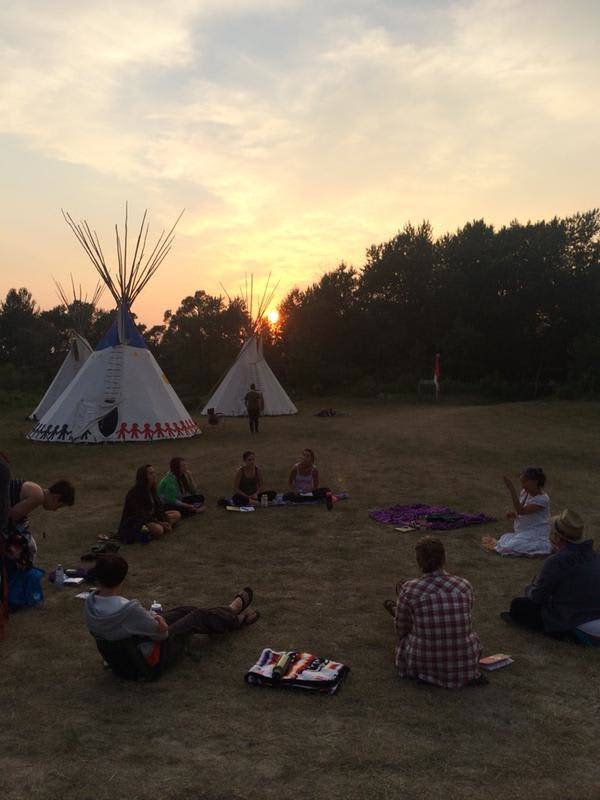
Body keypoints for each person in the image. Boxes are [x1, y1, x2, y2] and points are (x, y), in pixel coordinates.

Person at [85, 554, 259, 680]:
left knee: (185, 610)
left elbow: (135, 624)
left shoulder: (91, 603)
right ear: (122, 580)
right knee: (196, 616)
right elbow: (162, 634)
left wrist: (154, 618)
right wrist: (158, 620)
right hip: (148, 661)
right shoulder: (127, 609)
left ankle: (227, 614)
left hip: (122, 659)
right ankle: (232, 616)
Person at [384, 536, 484, 688]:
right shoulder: (464, 585)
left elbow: (401, 629)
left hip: (423, 662)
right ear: (444, 558)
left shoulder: (410, 588)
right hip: (465, 664)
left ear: (419, 561)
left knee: (406, 636)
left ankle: (398, 610)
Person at [502, 509, 600, 642]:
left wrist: (529, 588)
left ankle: (568, 634)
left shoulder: (557, 561)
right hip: (595, 615)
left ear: (557, 537)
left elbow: (537, 597)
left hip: (576, 620)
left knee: (519, 606)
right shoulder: (594, 556)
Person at [3, 475, 75, 609]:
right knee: (25, 549)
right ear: (55, 497)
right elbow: (10, 518)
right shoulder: (38, 496)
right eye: (58, 506)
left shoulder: (35, 489)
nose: (54, 510)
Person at [482, 467, 551, 556]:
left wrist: (512, 490)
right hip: (523, 531)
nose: (523, 485)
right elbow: (522, 512)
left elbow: (521, 510)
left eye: (525, 482)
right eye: (522, 482)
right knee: (506, 540)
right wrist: (514, 515)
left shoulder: (542, 499)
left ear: (535, 482)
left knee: (509, 547)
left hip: (536, 532)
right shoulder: (525, 493)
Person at [118, 465, 181, 543]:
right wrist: (160, 522)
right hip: (138, 521)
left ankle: (164, 526)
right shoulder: (135, 493)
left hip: (152, 518)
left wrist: (164, 520)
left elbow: (159, 508)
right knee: (159, 530)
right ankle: (156, 529)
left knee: (177, 514)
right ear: (143, 477)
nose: (154, 475)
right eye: (150, 474)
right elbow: (140, 514)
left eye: (154, 473)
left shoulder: (151, 489)